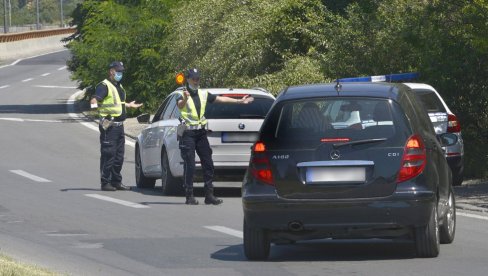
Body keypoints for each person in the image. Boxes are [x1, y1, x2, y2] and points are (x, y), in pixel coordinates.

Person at [177, 68, 254, 205]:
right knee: (190, 165)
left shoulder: (203, 93)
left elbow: (220, 99)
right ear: (188, 79)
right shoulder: (182, 94)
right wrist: (185, 98)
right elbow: (180, 105)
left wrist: (238, 102)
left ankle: (209, 194)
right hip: (188, 133)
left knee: (208, 163)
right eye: (193, 78)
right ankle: (189, 195)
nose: (196, 81)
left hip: (200, 133)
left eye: (198, 78)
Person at [90, 61, 143, 191]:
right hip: (109, 125)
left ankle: (116, 181)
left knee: (119, 155)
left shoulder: (118, 86)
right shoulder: (104, 86)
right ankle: (105, 182)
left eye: (121, 71)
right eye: (118, 71)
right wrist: (95, 108)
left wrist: (128, 105)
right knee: (109, 153)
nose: (120, 73)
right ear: (111, 71)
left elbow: (117, 103)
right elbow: (94, 100)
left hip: (119, 126)